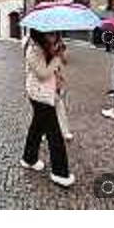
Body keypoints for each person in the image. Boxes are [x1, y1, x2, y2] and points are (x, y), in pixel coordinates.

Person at [21, 29, 74, 188]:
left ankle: (28, 158)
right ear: (39, 34)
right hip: (39, 95)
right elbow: (43, 73)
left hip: (48, 93)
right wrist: (56, 58)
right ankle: (60, 172)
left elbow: (60, 64)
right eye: (50, 34)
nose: (53, 37)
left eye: (55, 34)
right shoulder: (32, 49)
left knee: (37, 128)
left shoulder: (46, 46)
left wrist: (60, 53)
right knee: (54, 135)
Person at [53, 34, 73, 141]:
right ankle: (41, 131)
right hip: (45, 86)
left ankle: (65, 131)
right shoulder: (39, 46)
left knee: (59, 108)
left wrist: (60, 54)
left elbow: (64, 62)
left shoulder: (57, 41)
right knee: (44, 111)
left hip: (56, 85)